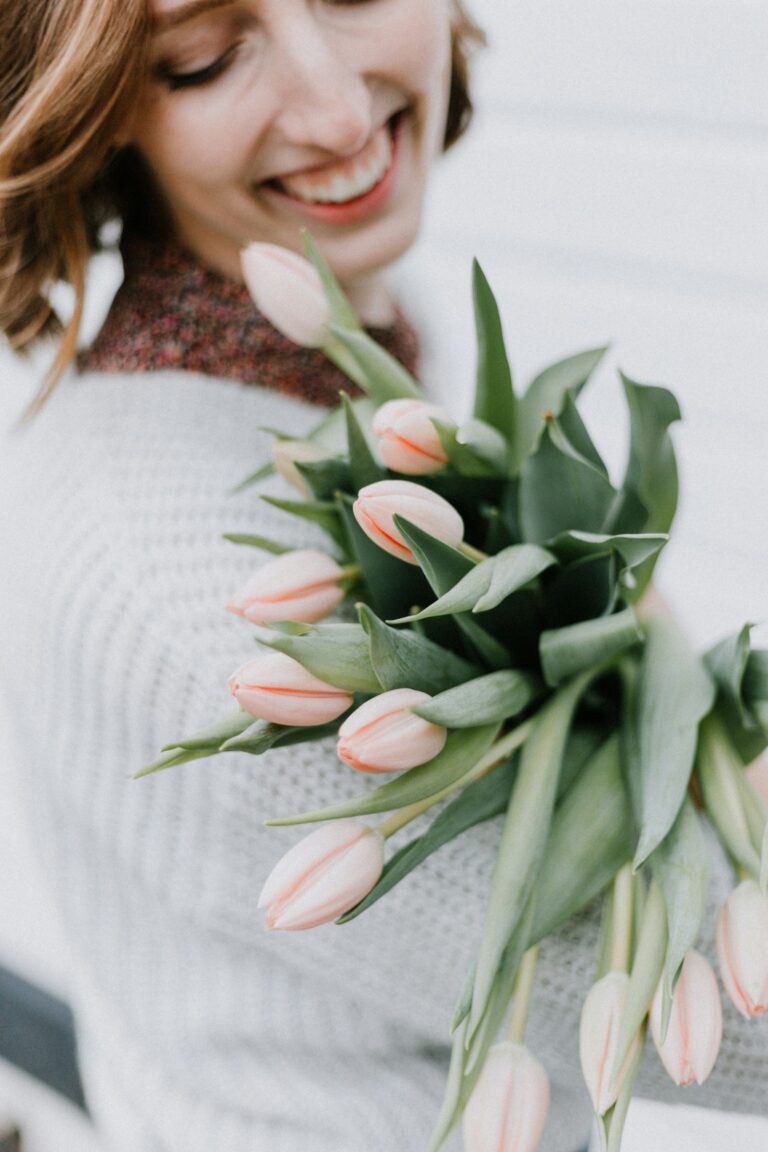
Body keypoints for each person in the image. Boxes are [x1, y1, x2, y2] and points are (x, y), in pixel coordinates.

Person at [0, 3, 766, 1152]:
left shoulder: (344, 338)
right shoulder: (176, 572)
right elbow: (710, 1006)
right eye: (204, 55)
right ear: (96, 106)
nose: (340, 109)